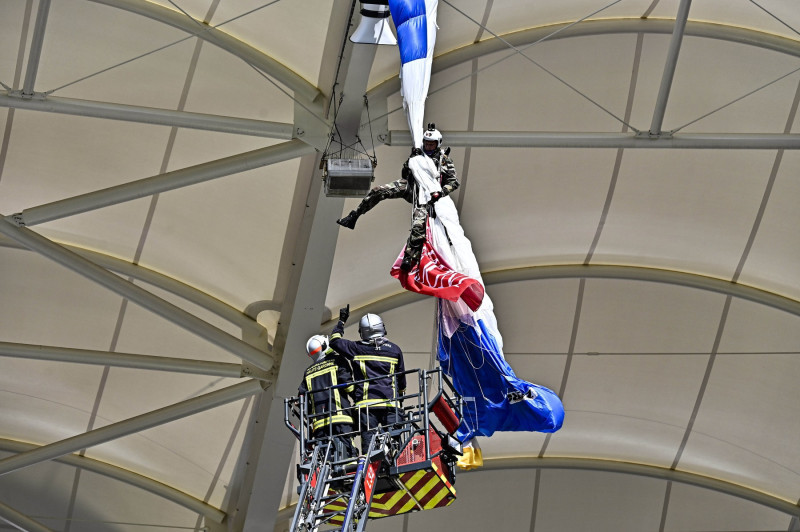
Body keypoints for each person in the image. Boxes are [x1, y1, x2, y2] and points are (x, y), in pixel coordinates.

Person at [336, 124, 459, 271]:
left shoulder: (444, 161)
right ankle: (354, 216)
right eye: (426, 143)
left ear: (438, 144)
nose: (429, 146)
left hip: (427, 195)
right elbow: (404, 173)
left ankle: (410, 256)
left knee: (418, 225)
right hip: (410, 186)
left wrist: (440, 192)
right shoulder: (419, 155)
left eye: (432, 144)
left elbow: (453, 182)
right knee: (378, 191)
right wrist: (412, 160)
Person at [329, 305, 406, 454]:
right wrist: (400, 395)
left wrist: (341, 321)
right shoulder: (395, 350)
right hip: (390, 404)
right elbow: (401, 380)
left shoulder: (356, 348)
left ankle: (369, 468)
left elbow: (334, 341)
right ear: (382, 328)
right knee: (395, 443)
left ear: (362, 332)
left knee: (369, 447)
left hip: (366, 406)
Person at [298, 334, 357, 459]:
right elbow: (349, 385)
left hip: (319, 424)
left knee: (325, 457)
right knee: (348, 452)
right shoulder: (337, 361)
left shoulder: (308, 372)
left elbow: (302, 398)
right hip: (340, 417)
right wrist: (360, 399)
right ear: (325, 346)